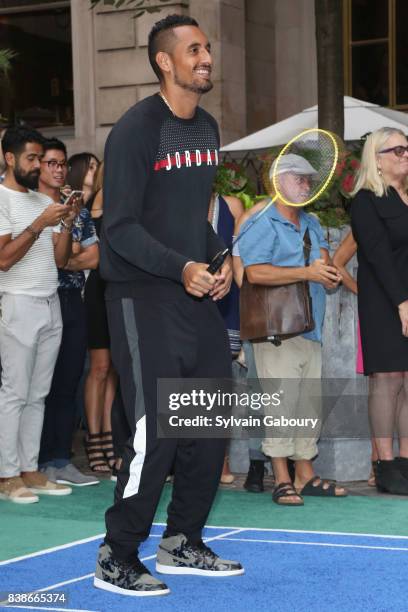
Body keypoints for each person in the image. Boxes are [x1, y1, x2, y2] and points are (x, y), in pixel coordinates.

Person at [94, 14, 244, 597]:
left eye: (207, 47)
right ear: (164, 61)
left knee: (208, 421)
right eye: (193, 49)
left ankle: (183, 540)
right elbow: (120, 227)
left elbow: (192, 219)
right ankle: (117, 553)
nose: (205, 57)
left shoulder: (206, 128)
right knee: (154, 426)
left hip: (193, 294)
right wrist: (181, 268)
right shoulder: (135, 129)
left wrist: (216, 257)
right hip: (140, 295)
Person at [239, 154, 347, 505]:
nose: (306, 184)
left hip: (310, 327)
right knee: (280, 405)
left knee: (308, 406)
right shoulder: (261, 222)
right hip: (276, 330)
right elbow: (254, 273)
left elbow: (323, 266)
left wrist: (326, 270)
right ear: (278, 181)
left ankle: (305, 474)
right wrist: (307, 273)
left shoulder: (312, 224)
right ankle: (281, 477)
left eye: (308, 180)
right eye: (299, 178)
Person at [0, 127, 73, 503]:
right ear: (9, 158)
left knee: (38, 393)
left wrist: (68, 221)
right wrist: (40, 223)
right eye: (31, 158)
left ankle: (29, 468)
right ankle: (7, 474)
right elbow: (3, 259)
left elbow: (60, 260)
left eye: (39, 158)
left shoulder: (38, 200)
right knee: (14, 392)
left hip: (49, 300)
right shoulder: (2, 198)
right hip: (17, 301)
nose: (38, 165)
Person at [38, 139, 100, 487]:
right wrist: (68, 253)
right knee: (37, 385)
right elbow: (50, 255)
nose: (58, 169)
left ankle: (60, 459)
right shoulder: (27, 206)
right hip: (40, 297)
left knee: (69, 380)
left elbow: (93, 256)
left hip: (73, 299)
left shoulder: (77, 207)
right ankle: (33, 461)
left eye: (62, 163)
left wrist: (67, 253)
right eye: (50, 163)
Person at [351, 127, 408, 495]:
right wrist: (402, 303)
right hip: (384, 301)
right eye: (398, 149)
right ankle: (385, 466)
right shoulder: (366, 200)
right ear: (378, 158)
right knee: (387, 379)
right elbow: (378, 257)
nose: (406, 154)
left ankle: (405, 464)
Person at [332, 230, 378, 487]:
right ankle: (378, 464)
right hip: (381, 314)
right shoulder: (369, 213)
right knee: (382, 387)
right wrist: (366, 294)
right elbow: (336, 261)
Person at [84, 162, 119, 474]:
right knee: (99, 368)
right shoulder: (94, 201)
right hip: (98, 288)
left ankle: (109, 436)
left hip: (122, 289)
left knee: (115, 371)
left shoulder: (129, 198)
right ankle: (94, 438)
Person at [208, 190, 244, 484]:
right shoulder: (175, 201)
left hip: (223, 302)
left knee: (220, 382)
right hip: (185, 297)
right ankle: (183, 456)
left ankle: (220, 458)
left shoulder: (230, 205)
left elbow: (240, 252)